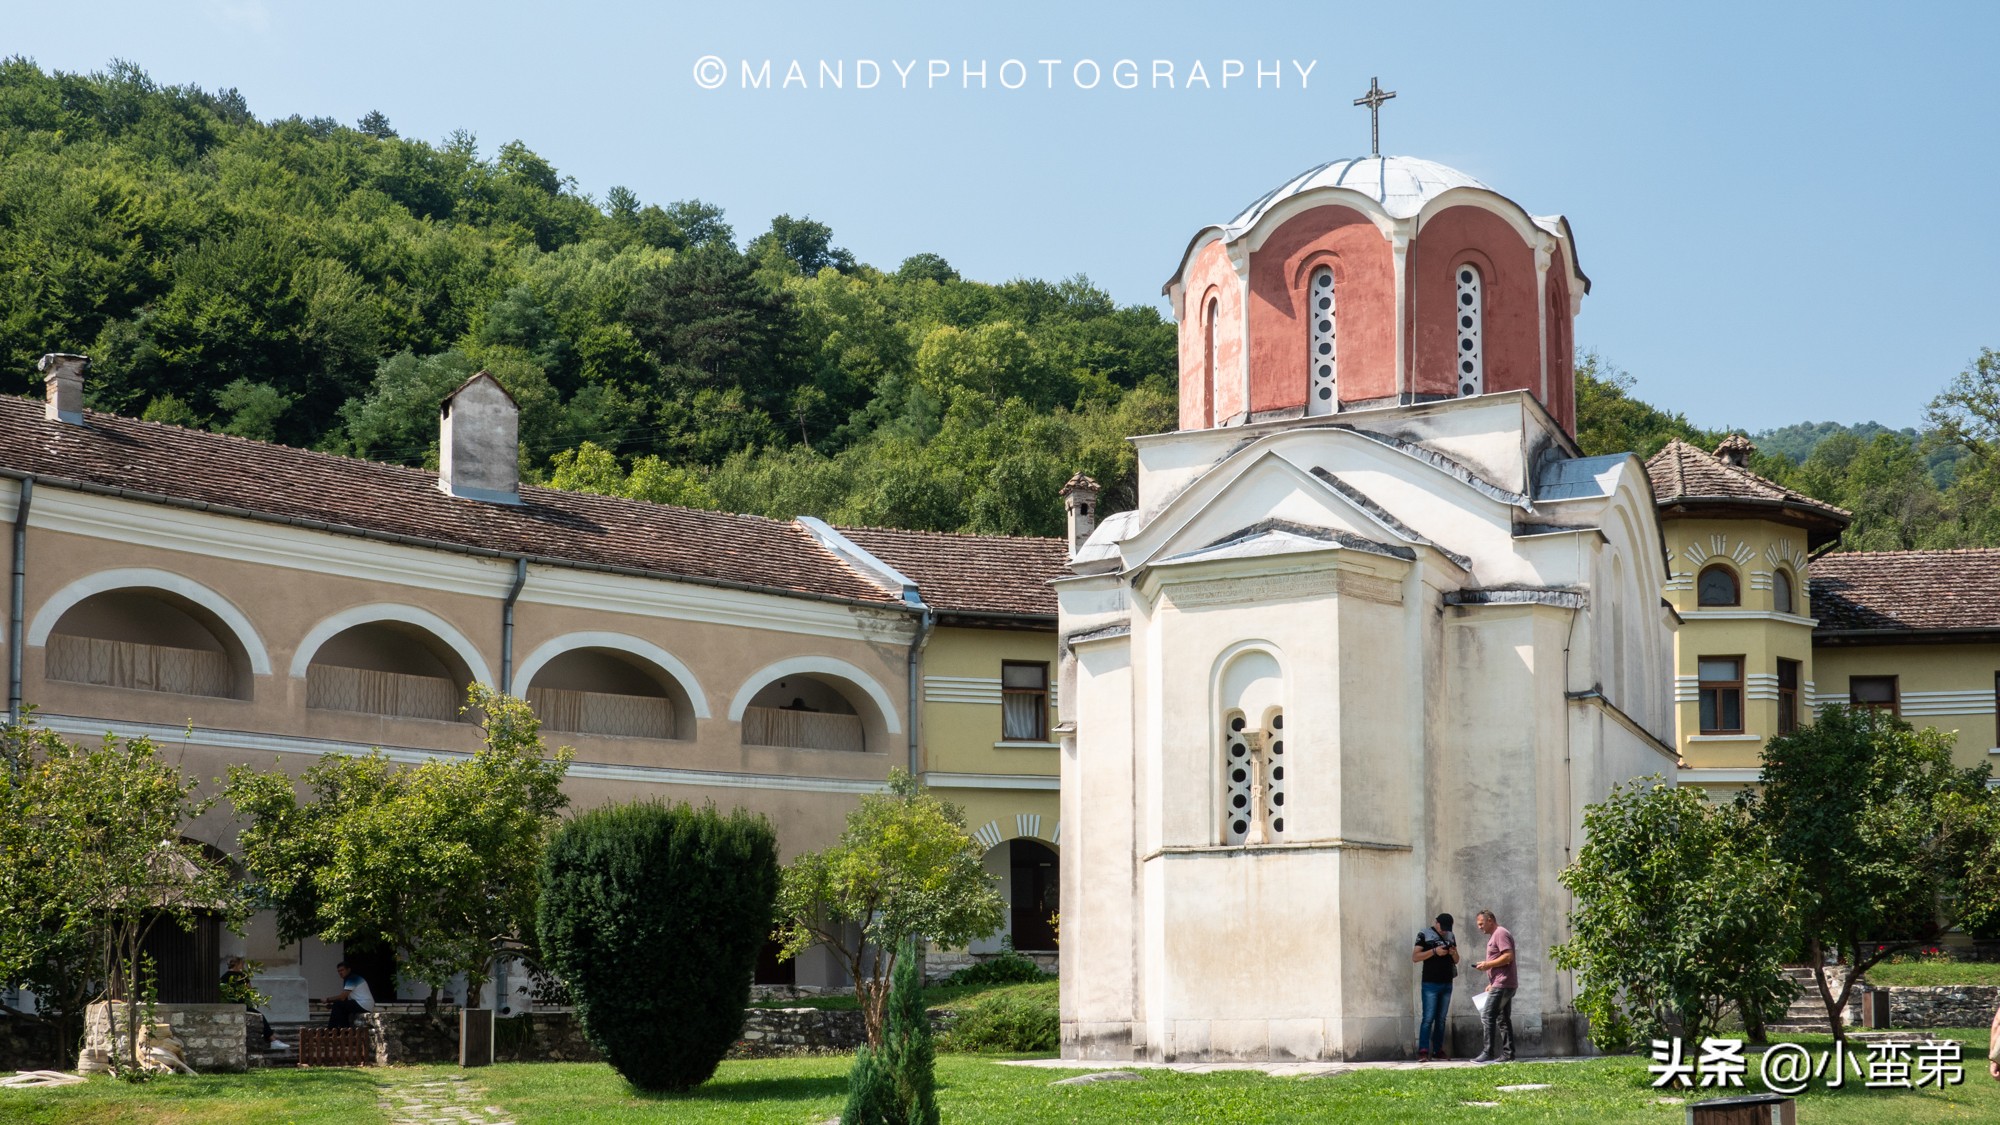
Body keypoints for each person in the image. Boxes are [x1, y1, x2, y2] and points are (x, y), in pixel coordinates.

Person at [1411, 912, 1459, 1061]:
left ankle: (1438, 1050)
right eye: (1442, 927)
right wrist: (1434, 951)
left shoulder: (1451, 936)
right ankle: (1423, 1050)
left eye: (1447, 928)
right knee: (1428, 1018)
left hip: (1447, 982)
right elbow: (1415, 957)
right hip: (1430, 983)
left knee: (1441, 1019)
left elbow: (1457, 960)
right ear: (1436, 923)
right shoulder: (1424, 934)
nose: (1444, 931)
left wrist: (1452, 953)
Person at [1470, 908, 1516, 1063]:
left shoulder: (1500, 933)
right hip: (1500, 983)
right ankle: (1508, 1054)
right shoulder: (1495, 935)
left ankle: (1487, 1052)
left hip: (1503, 983)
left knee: (1488, 1015)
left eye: (1481, 923)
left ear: (1490, 920)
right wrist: (1491, 983)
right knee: (1502, 1018)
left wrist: (1487, 964)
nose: (1479, 927)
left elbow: (1508, 956)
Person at [223, 955, 289, 1051]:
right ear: (238, 964)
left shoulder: (224, 977)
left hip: (230, 1005)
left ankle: (273, 1040)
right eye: (242, 964)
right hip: (242, 1005)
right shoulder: (242, 976)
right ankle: (273, 1040)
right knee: (260, 1017)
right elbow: (250, 990)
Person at [325, 961, 375, 1029]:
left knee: (338, 1005)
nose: (340, 973)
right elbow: (345, 999)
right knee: (340, 1008)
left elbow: (342, 997)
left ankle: (330, 1030)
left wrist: (327, 1000)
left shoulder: (352, 978)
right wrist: (332, 1005)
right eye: (338, 971)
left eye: (342, 970)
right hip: (363, 1004)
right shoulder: (349, 979)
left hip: (364, 1004)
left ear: (348, 970)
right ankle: (345, 1031)